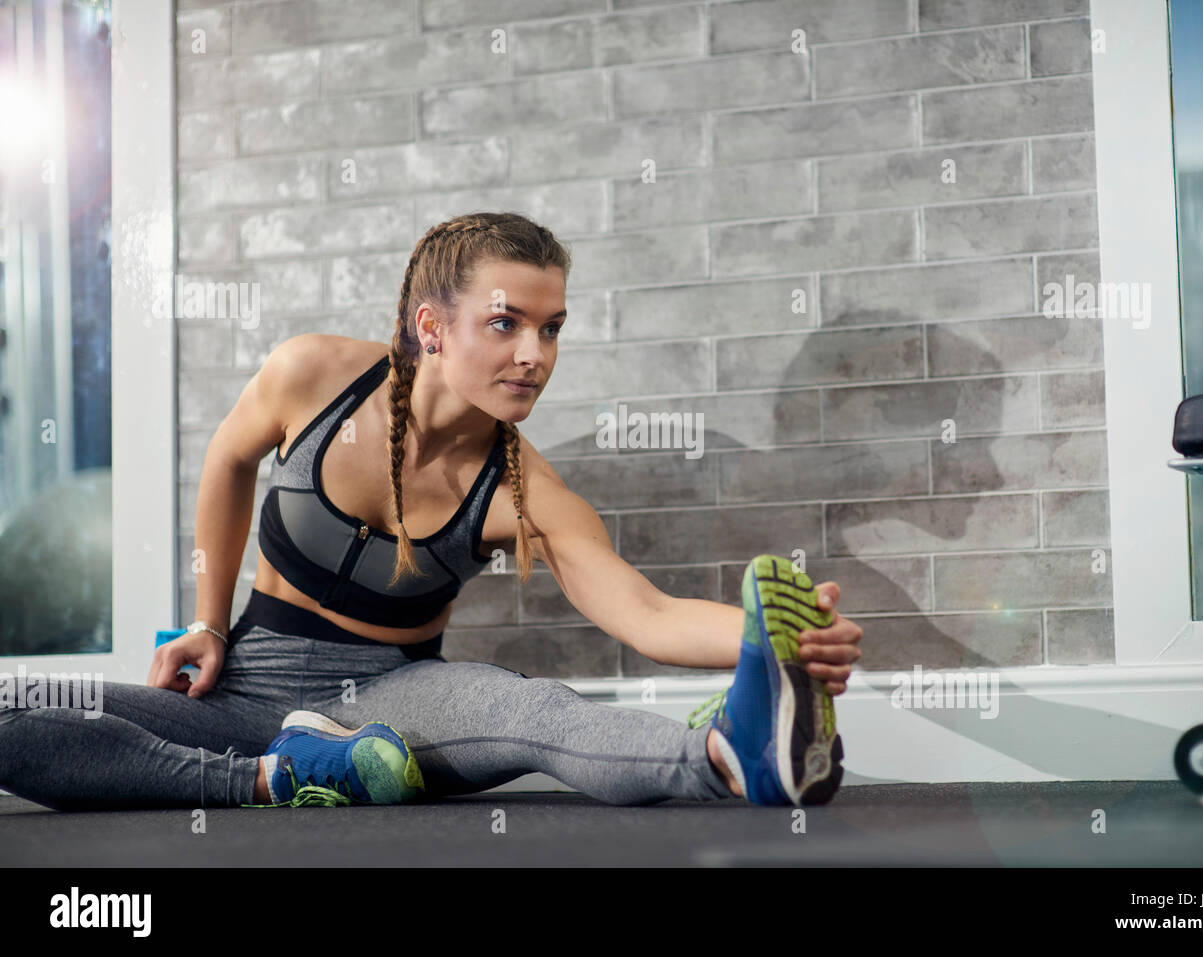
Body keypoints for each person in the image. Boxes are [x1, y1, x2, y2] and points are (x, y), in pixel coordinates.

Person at [0, 212, 863, 810]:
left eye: (553, 327)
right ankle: (277, 778)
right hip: (242, 691)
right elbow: (228, 459)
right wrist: (208, 622)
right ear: (432, 326)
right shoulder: (313, 376)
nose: (535, 355)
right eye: (507, 323)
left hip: (397, 700)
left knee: (536, 714)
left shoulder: (521, 488)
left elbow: (648, 613)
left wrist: (771, 641)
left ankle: (730, 756)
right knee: (13, 708)